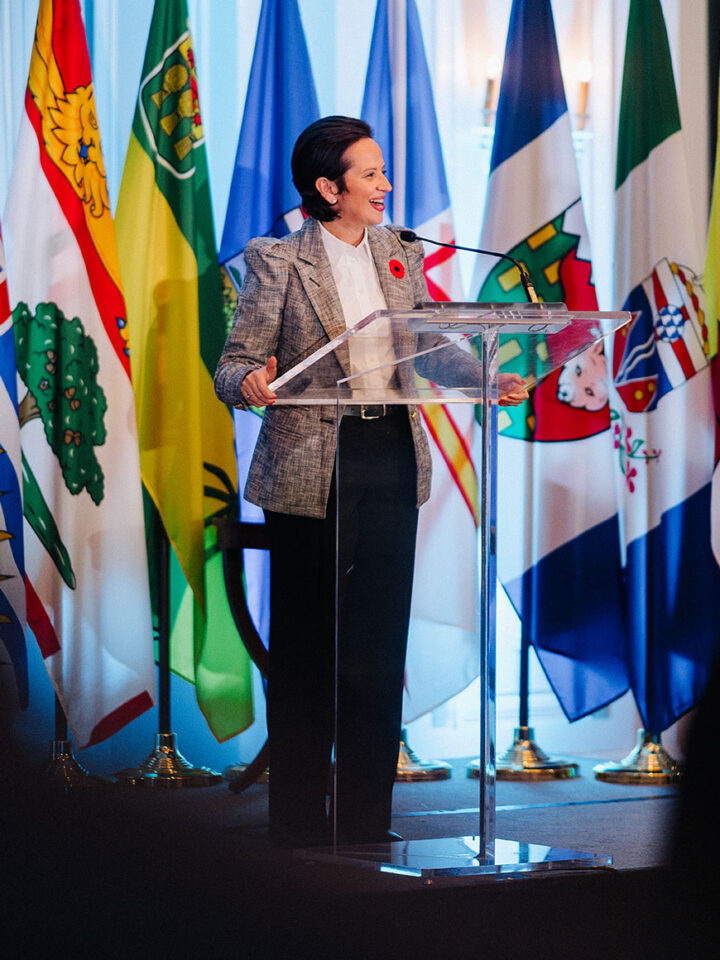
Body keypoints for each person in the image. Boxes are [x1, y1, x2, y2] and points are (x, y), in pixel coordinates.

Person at [214, 116, 527, 847]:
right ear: (329, 188)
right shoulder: (277, 260)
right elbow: (232, 366)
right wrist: (252, 382)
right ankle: (295, 821)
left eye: (383, 172)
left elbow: (424, 350)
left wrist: (485, 376)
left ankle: (365, 822)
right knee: (308, 647)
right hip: (313, 463)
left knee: (376, 647)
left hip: (389, 450)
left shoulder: (399, 253)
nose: (386, 186)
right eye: (370, 174)